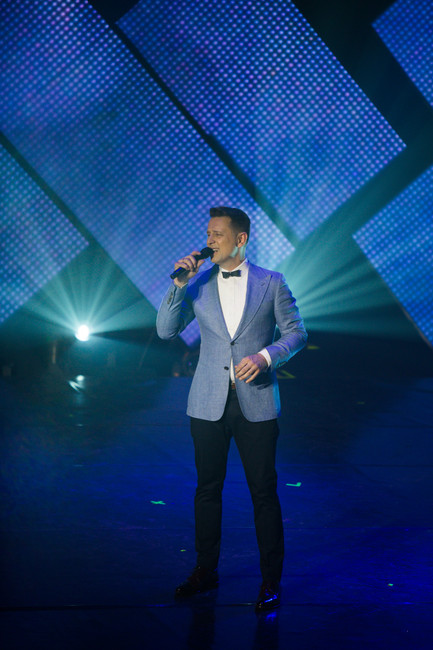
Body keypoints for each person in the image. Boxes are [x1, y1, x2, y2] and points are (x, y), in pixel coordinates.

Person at [156, 206, 307, 611]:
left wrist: (266, 356)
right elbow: (166, 330)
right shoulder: (199, 284)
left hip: (256, 400)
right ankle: (205, 570)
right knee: (207, 489)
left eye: (218, 234)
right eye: (208, 233)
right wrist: (179, 285)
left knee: (263, 492)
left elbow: (296, 333)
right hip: (208, 402)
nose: (210, 241)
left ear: (241, 239)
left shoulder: (271, 282)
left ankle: (270, 580)